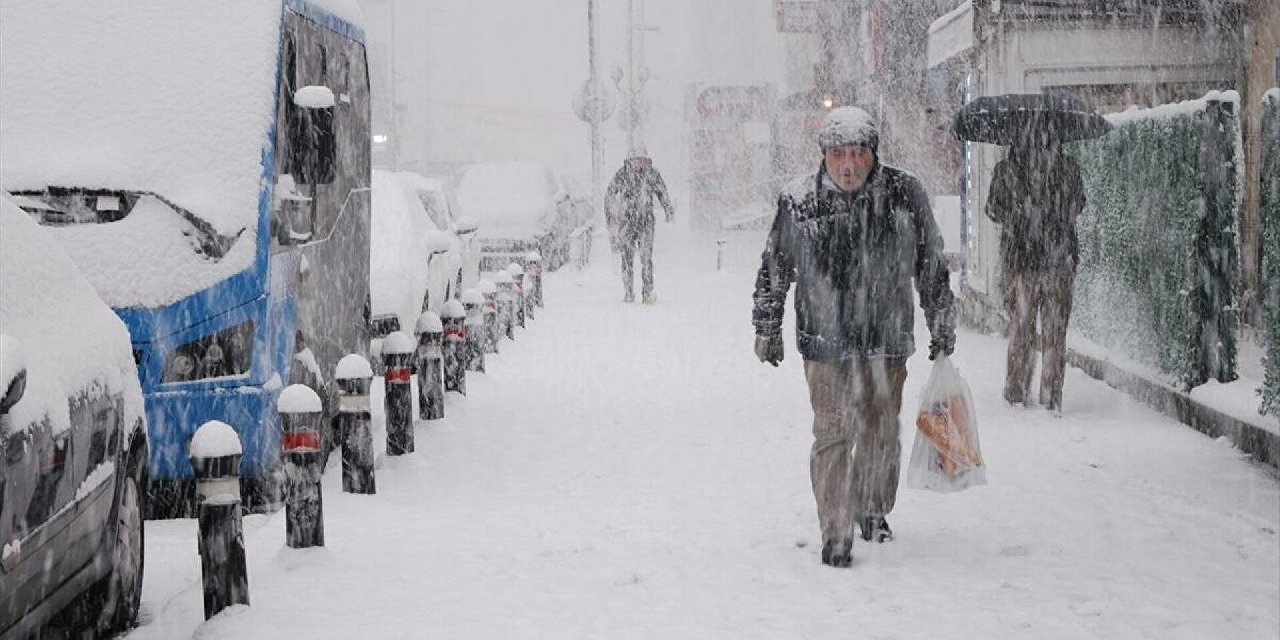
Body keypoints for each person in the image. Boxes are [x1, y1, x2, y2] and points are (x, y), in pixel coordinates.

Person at [752, 106, 956, 568]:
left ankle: (871, 508)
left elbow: (931, 263)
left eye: (858, 154)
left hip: (886, 336)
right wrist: (767, 325)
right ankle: (837, 529)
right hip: (825, 340)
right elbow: (774, 267)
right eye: (839, 154)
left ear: (874, 155)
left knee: (880, 431)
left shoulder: (904, 194)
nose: (849, 165)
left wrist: (941, 318)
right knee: (833, 433)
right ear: (823, 155)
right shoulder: (798, 200)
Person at [985, 143, 1084, 412]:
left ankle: (1016, 391)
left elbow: (992, 210)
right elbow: (1078, 206)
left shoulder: (1007, 169)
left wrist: (1019, 215)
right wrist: (1053, 216)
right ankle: (1051, 396)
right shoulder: (1068, 167)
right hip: (1058, 261)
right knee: (1055, 333)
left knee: (1021, 328)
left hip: (1022, 262)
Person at [604, 153, 675, 304]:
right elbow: (609, 193)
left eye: (642, 159)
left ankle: (647, 293)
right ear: (630, 160)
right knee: (627, 258)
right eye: (636, 159)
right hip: (627, 222)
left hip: (646, 222)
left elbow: (662, 192)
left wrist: (668, 209)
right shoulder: (622, 174)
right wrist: (613, 215)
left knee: (646, 258)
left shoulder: (652, 174)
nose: (639, 163)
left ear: (647, 160)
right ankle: (629, 292)